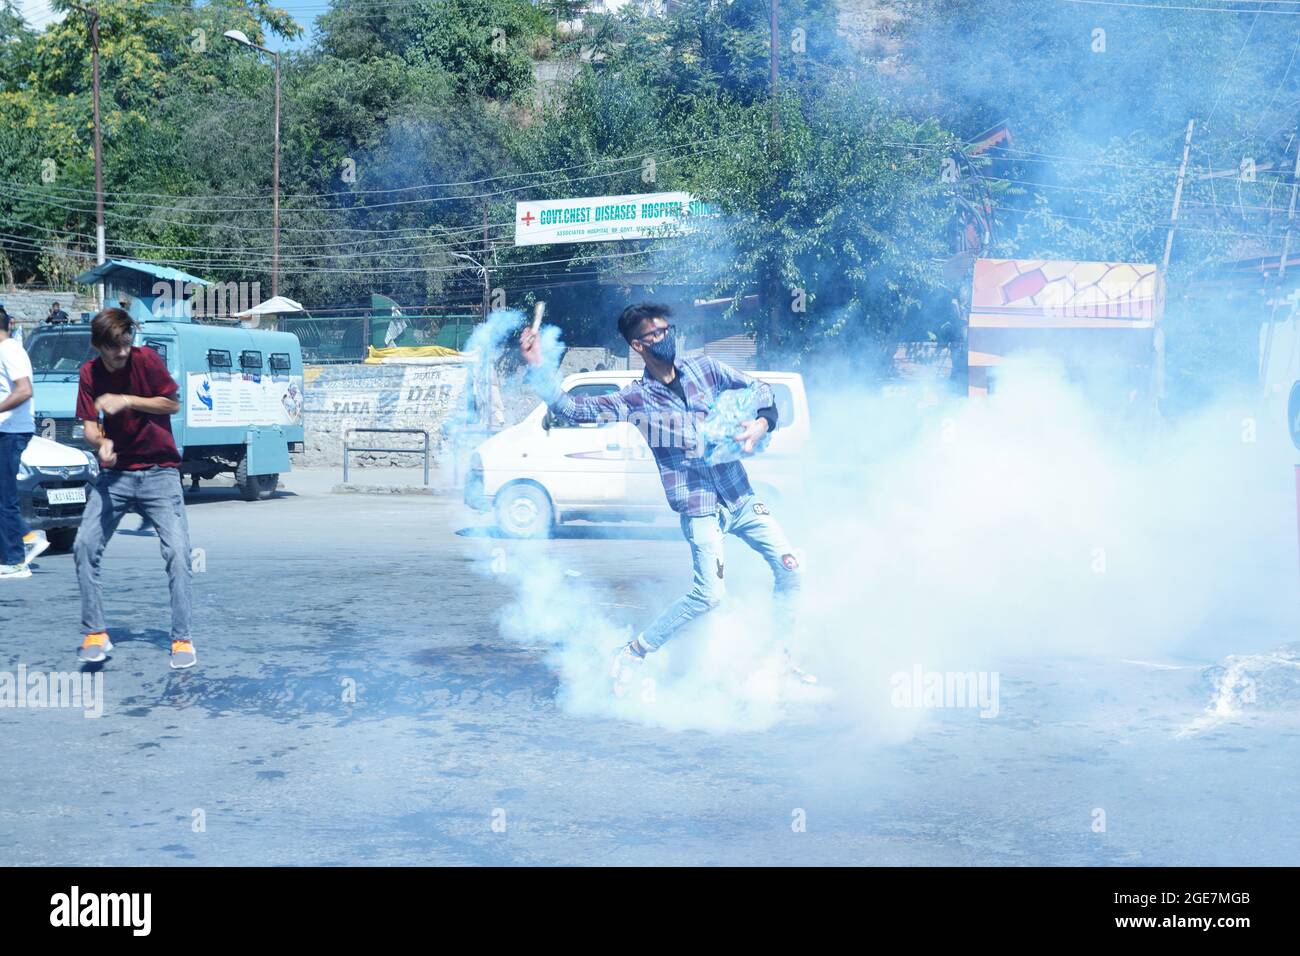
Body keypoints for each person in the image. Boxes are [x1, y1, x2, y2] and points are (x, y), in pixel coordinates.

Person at [520, 303, 813, 689]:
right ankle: (634, 652)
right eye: (656, 334)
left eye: (667, 329)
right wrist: (538, 366)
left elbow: (760, 390)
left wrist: (761, 424)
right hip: (700, 508)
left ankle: (780, 660)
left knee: (791, 569)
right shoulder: (635, 398)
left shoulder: (705, 369)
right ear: (639, 345)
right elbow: (571, 408)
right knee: (709, 594)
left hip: (741, 497)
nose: (666, 337)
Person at [72, 308, 196, 669]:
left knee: (178, 552)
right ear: (98, 346)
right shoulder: (88, 374)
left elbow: (172, 403)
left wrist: (127, 400)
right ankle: (95, 633)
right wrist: (101, 444)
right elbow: (89, 426)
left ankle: (182, 639)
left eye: (126, 344)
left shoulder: (148, 360)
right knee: (84, 545)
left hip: (160, 472)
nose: (122, 352)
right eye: (114, 347)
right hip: (116, 475)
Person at [0, 306, 39, 580]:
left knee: (5, 498)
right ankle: (23, 538)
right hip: (9, 430)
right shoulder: (8, 349)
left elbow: (24, 390)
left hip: (11, 432)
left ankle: (16, 560)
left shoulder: (9, 350)